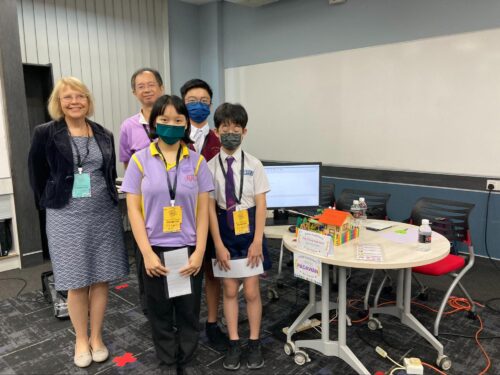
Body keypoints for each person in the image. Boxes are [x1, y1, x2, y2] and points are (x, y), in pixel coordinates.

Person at [28, 77, 129, 368]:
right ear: (58, 103)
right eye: (67, 97)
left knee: (100, 278)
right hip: (65, 216)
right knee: (75, 281)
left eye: (80, 96)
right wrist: (50, 201)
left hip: (103, 215)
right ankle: (80, 339)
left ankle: (97, 337)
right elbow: (36, 174)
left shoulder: (103, 133)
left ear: (88, 100)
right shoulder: (45, 133)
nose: (74, 101)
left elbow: (108, 173)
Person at [121, 94, 214, 374]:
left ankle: (186, 358)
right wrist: (147, 253)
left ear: (186, 124)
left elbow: (202, 212)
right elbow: (133, 211)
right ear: (154, 123)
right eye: (164, 120)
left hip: (187, 249)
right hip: (154, 249)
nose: (170, 125)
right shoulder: (139, 161)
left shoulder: (197, 163)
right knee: (159, 311)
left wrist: (199, 252)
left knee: (187, 311)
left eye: (177, 120)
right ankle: (167, 361)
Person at [207, 103, 271, 370]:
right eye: (225, 127)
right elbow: (209, 209)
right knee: (230, 290)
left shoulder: (254, 164)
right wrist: (218, 244)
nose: (230, 132)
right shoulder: (209, 166)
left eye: (236, 128)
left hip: (249, 231)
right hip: (223, 230)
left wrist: (258, 240)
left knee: (253, 291)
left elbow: (261, 204)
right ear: (216, 131)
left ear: (244, 131)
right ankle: (234, 342)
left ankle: (254, 341)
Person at [180, 79, 226, 350]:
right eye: (192, 101)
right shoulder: (174, 137)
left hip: (213, 217)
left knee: (212, 273)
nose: (198, 106)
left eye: (204, 101)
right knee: (182, 271)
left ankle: (211, 323)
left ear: (211, 104)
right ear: (183, 103)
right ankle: (185, 325)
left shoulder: (219, 139)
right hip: (181, 219)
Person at [119, 67, 164, 315]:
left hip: (174, 202)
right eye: (140, 86)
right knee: (144, 252)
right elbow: (127, 164)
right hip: (145, 206)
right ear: (134, 92)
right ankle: (150, 305)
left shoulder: (174, 119)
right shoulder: (129, 127)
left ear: (161, 87)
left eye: (151, 84)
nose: (146, 89)